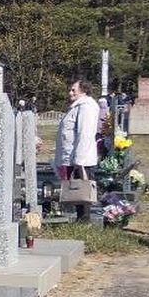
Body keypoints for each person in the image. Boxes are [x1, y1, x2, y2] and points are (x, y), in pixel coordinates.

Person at [53, 78, 100, 223]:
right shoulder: (76, 107)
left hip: (80, 159)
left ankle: (84, 221)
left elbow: (84, 133)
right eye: (70, 90)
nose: (70, 93)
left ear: (83, 90)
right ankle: (79, 219)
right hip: (71, 157)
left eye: (73, 90)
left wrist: (79, 160)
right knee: (75, 190)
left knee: (82, 191)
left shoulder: (86, 107)